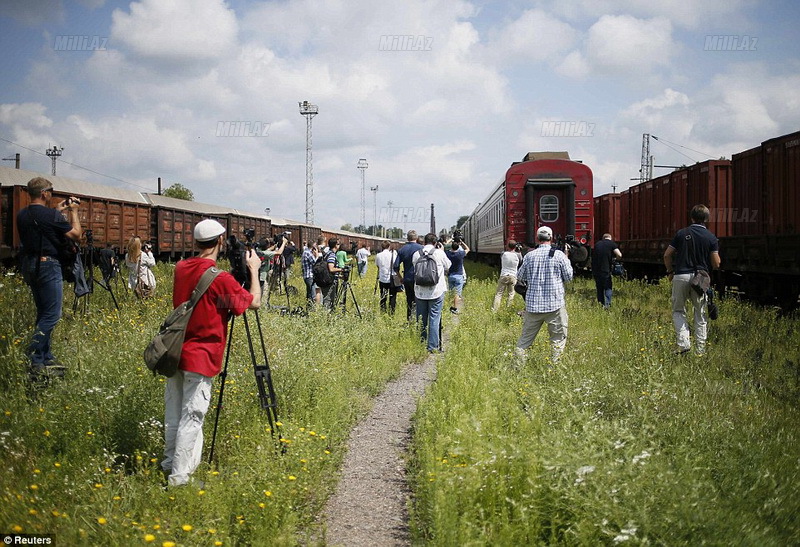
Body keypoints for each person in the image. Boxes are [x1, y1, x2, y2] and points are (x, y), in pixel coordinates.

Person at [162, 219, 262, 488]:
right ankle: (179, 479)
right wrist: (253, 271)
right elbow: (254, 303)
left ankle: (169, 463)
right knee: (192, 417)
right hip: (202, 354)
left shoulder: (182, 268)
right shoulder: (220, 279)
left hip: (176, 350)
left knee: (174, 414)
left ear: (196, 242)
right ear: (220, 242)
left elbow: (207, 300)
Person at [16, 177, 81, 374]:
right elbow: (76, 234)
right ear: (44, 193)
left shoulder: (22, 215)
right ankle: (35, 357)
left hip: (30, 265)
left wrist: (58, 211)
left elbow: (42, 225)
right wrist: (74, 212)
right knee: (52, 314)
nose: (51, 194)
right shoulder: (51, 216)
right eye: (50, 191)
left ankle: (45, 355)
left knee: (43, 312)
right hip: (48, 265)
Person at [663, 204, 721, 356]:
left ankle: (684, 344)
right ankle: (700, 351)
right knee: (700, 314)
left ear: (691, 217)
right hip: (700, 278)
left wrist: (670, 271)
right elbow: (716, 263)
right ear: (706, 219)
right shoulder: (711, 237)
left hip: (680, 276)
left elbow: (667, 255)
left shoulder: (681, 233)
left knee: (678, 310)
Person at [515, 226, 573, 364]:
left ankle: (518, 366)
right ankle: (554, 367)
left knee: (524, 341)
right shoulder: (559, 255)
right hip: (555, 306)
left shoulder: (529, 256)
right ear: (551, 238)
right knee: (558, 340)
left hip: (533, 306)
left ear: (537, 238)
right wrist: (566, 257)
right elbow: (569, 276)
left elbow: (520, 276)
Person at [413, 233, 452, 353]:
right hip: (436, 290)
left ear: (424, 242)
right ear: (435, 242)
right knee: (434, 318)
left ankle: (421, 342)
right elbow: (448, 265)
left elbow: (415, 267)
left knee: (421, 318)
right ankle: (433, 346)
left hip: (420, 291)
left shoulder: (416, 254)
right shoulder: (439, 253)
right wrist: (441, 250)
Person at [394, 230, 423, 321]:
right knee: (419, 300)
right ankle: (419, 319)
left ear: (407, 238)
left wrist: (400, 278)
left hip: (407, 279)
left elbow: (395, 266)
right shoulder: (421, 248)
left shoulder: (402, 249)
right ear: (416, 238)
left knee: (409, 300)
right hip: (419, 278)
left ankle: (410, 319)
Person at [592, 233, 623, 308]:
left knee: (599, 289)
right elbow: (619, 255)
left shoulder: (597, 244)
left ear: (603, 238)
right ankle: (607, 305)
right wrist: (616, 260)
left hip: (596, 270)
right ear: (610, 238)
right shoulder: (612, 244)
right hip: (606, 270)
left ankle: (600, 304)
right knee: (608, 287)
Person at [492, 240, 522, 312]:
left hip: (504, 275)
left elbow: (503, 255)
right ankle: (508, 309)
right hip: (513, 276)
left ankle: (495, 310)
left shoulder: (503, 254)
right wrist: (519, 251)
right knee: (511, 294)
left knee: (499, 294)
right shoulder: (518, 255)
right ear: (515, 247)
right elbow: (521, 262)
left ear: (507, 246)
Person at [444, 239, 470, 313]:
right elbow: (468, 249)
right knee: (457, 294)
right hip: (458, 276)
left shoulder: (448, 254)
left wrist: (450, 240)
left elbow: (444, 246)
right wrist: (462, 243)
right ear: (458, 247)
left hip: (450, 276)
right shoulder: (460, 254)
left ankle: (451, 306)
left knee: (452, 292)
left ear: (451, 247)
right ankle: (455, 308)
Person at [375, 241, 400, 314]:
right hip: (392, 278)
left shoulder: (378, 255)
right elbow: (396, 266)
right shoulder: (393, 255)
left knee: (383, 296)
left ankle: (383, 311)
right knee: (392, 296)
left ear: (382, 247)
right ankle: (391, 312)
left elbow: (377, 265)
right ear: (389, 246)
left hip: (382, 278)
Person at [322, 238, 344, 309]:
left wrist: (339, 276)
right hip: (330, 281)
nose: (339, 245)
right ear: (335, 245)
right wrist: (341, 269)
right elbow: (331, 269)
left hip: (327, 279)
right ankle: (326, 316)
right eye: (338, 244)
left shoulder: (328, 253)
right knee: (328, 300)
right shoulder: (332, 255)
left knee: (329, 299)